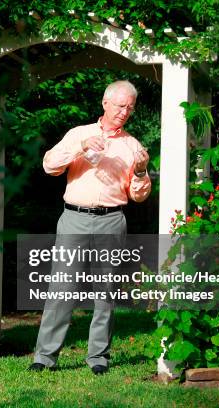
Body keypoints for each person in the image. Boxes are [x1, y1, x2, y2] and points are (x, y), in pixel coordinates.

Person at [28, 80, 151, 375]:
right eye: (120, 106)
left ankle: (98, 357)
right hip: (74, 218)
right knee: (62, 288)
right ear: (105, 103)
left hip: (112, 220)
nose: (124, 112)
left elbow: (138, 195)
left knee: (105, 290)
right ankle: (44, 357)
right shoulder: (79, 134)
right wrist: (81, 149)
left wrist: (142, 170)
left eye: (130, 108)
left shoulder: (133, 146)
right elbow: (49, 165)